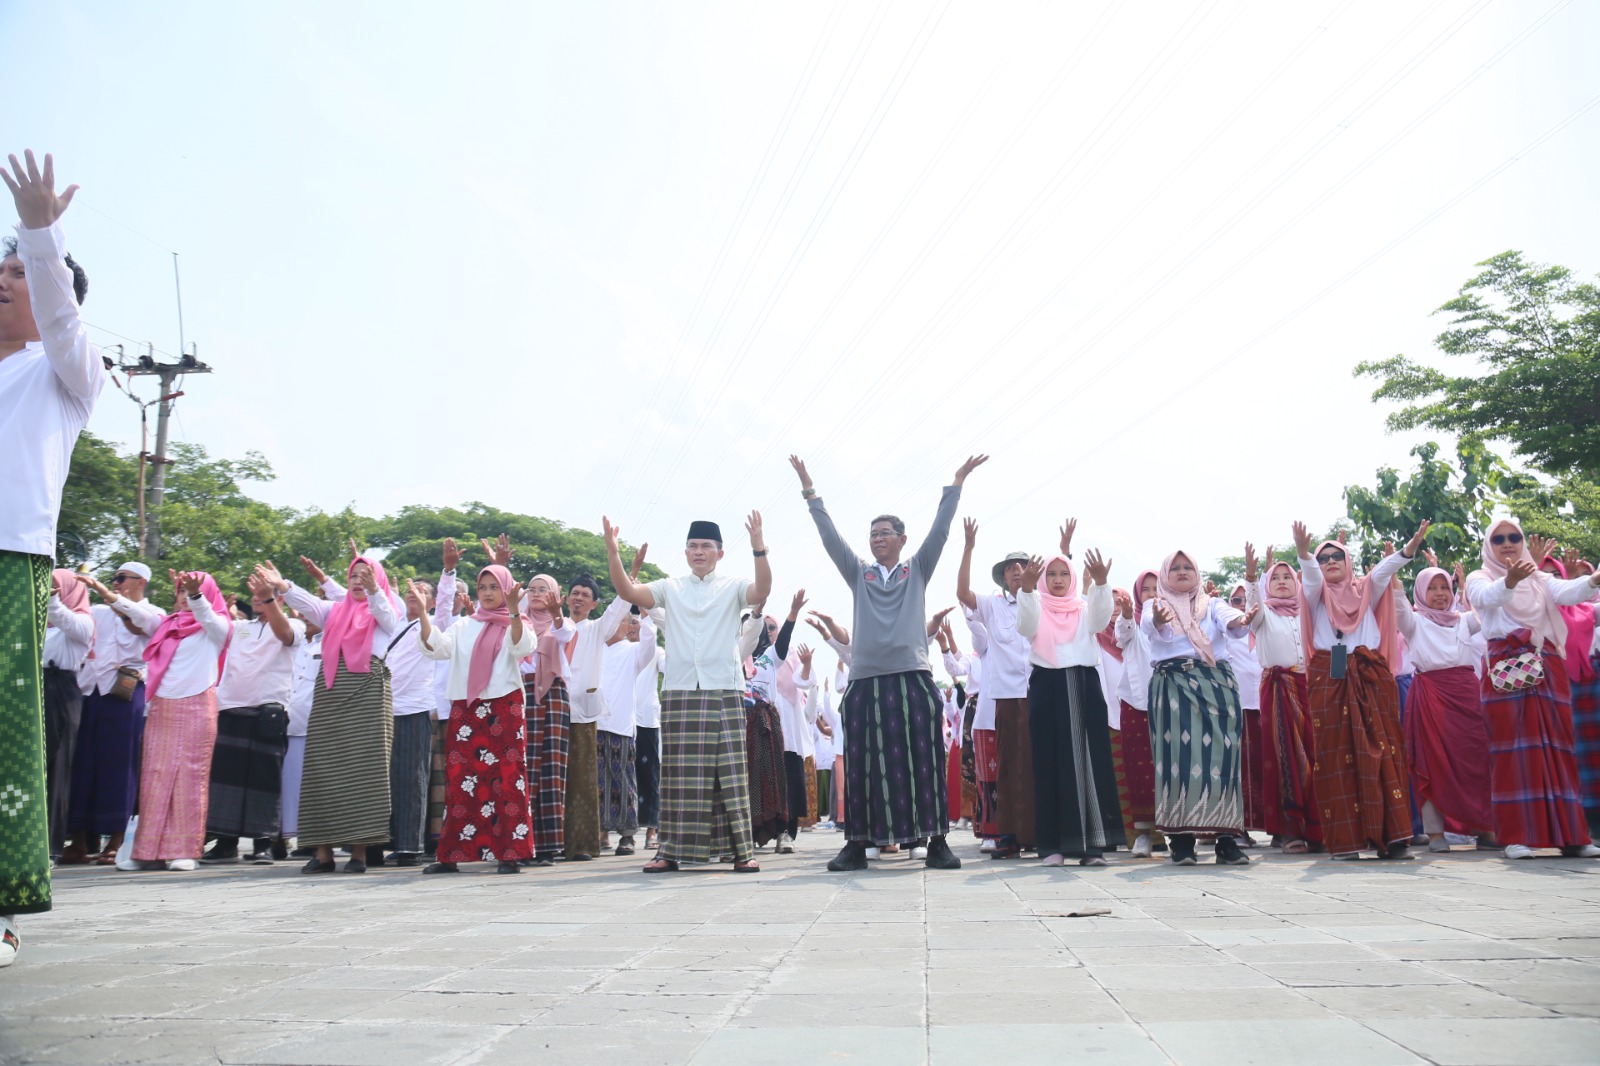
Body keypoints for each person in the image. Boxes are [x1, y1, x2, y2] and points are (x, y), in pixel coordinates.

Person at [791, 453, 986, 872]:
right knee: (862, 764)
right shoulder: (858, 574)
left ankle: (936, 841)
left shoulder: (916, 570)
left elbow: (940, 530)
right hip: (865, 683)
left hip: (913, 680)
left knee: (925, 760)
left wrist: (956, 482)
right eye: (873, 534)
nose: (877, 539)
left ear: (901, 538)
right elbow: (830, 538)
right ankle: (857, 844)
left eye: (885, 533)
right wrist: (811, 491)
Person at [0, 150, 101, 963]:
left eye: (19, 275)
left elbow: (61, 318)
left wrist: (41, 233)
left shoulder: (66, 375)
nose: (5, 280)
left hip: (10, 562)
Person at [607, 513, 772, 873]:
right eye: (693, 546)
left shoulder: (733, 585)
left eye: (706, 547)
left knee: (728, 772)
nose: (699, 552)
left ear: (720, 553)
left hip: (725, 686)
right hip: (681, 689)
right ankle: (669, 850)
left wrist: (759, 548)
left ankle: (742, 851)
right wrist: (613, 553)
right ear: (685, 552)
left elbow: (761, 591)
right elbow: (629, 592)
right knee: (679, 775)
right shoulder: (671, 587)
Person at [1292, 521, 1428, 860]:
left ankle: (1393, 838)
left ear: (1348, 560)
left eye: (1338, 555)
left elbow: (1384, 571)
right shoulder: (1314, 594)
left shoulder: (1368, 588)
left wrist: (1408, 550)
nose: (1331, 562)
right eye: (1325, 559)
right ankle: (1347, 841)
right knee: (1336, 755)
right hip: (1331, 676)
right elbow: (1310, 577)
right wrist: (1304, 554)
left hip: (1370, 674)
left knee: (1384, 751)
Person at [1465, 522, 1600, 859]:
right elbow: (1486, 598)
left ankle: (1573, 836)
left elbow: (1568, 591)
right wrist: (1510, 581)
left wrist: (1594, 581)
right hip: (1506, 667)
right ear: (1489, 545)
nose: (1507, 544)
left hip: (1547, 664)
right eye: (1499, 539)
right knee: (1513, 752)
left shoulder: (1540, 579)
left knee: (1558, 749)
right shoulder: (1478, 577)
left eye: (1514, 538)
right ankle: (1515, 837)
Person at [262, 547, 400, 874]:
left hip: (367, 692)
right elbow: (306, 603)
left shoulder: (384, 609)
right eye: (353, 575)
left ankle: (359, 854)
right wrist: (283, 586)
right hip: (329, 691)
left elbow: (389, 618)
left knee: (363, 772)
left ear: (377, 580)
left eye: (365, 576)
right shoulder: (334, 610)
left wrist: (374, 589)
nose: (357, 581)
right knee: (321, 768)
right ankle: (321, 853)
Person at [414, 565, 535, 874]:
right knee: (462, 779)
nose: (489, 592)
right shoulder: (464, 625)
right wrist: (423, 614)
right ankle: (453, 853)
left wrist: (513, 613)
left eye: (495, 586)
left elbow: (522, 647)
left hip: (505, 707)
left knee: (507, 779)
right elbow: (436, 649)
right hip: (467, 708)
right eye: (483, 588)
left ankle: (510, 853)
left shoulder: (517, 622)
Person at [1142, 550, 1255, 866]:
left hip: (1217, 686)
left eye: (1187, 567)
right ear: (1165, 575)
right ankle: (1181, 842)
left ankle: (1226, 841)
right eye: (1174, 568)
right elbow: (1152, 629)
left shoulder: (1213, 603)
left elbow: (1230, 620)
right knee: (1176, 759)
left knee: (1222, 758)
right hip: (1172, 685)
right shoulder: (1155, 605)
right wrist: (1159, 620)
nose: (1181, 572)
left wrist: (1242, 618)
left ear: (1197, 573)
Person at [1015, 547, 1122, 866]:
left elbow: (1102, 619)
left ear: (1073, 578)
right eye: (1051, 574)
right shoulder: (1036, 604)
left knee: (1091, 761)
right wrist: (1028, 589)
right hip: (1047, 685)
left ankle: (1093, 847)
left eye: (1063, 574)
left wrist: (1101, 584)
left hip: (1083, 684)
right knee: (1049, 762)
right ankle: (1052, 846)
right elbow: (1026, 626)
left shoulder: (1084, 607)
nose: (1058, 580)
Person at [129, 571, 232, 871]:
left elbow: (206, 614)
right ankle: (149, 851)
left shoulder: (218, 626)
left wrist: (197, 596)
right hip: (162, 706)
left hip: (198, 705)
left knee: (189, 777)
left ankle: (185, 850)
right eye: (181, 591)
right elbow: (140, 616)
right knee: (155, 776)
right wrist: (110, 595)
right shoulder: (167, 625)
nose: (184, 597)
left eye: (190, 592)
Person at [201, 571, 305, 864]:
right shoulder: (240, 628)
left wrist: (270, 599)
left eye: (266, 594)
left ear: (279, 598)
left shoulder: (292, 624)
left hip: (268, 713)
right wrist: (197, 596)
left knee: (264, 780)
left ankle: (263, 844)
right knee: (226, 780)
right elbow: (209, 621)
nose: (258, 598)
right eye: (257, 594)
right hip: (231, 709)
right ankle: (226, 844)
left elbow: (284, 635)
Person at [957, 519, 1039, 859]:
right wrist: (969, 547)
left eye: (1022, 566)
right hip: (1006, 696)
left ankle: (1039, 832)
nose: (1017, 571)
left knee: (1039, 764)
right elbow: (963, 594)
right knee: (1008, 766)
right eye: (1010, 569)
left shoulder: (1042, 601)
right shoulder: (992, 606)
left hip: (1039, 692)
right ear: (1003, 578)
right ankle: (1008, 835)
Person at [1397, 565, 1493, 852]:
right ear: (1420, 592)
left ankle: (1484, 829)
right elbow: (1397, 604)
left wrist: (1468, 584)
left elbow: (1487, 611)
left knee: (1476, 760)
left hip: (1466, 693)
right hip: (1430, 696)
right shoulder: (1413, 622)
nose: (1439, 594)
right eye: (1432, 588)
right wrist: (1392, 573)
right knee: (1431, 762)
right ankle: (1435, 833)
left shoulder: (1464, 620)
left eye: (1444, 588)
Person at [1241, 545, 1319, 854]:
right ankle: (1289, 830)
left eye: (1288, 577)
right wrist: (1251, 576)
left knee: (1314, 754)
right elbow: (1252, 602)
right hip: (1278, 688)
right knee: (1284, 754)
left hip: (1310, 687)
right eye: (1276, 578)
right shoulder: (1263, 614)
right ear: (1267, 586)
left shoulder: (1308, 614)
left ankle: (1316, 827)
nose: (1284, 582)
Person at [559, 572, 631, 861]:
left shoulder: (596, 629)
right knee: (552, 779)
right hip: (550, 710)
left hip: (583, 714)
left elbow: (619, 607)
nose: (578, 598)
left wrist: (631, 576)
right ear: (565, 598)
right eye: (574, 592)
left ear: (594, 604)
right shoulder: (552, 626)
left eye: (584, 595)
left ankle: (582, 845)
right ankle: (549, 842)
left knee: (582, 780)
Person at [1540, 552, 1600, 839]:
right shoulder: (1532, 612)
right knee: (1564, 754)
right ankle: (1570, 821)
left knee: (1591, 755)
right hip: (1550, 687)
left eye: (1556, 574)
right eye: (1544, 573)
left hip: (1588, 688)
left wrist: (1583, 581)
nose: (1551, 579)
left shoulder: (1585, 609)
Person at [596, 607, 659, 856]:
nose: (616, 626)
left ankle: (627, 836)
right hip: (594, 723)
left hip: (621, 725)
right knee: (598, 783)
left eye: (623, 622)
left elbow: (650, 644)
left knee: (624, 780)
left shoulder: (633, 651)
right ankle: (600, 834)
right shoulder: (595, 649)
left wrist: (645, 617)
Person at [520, 574, 573, 865]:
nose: (537, 594)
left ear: (555, 594)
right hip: (522, 693)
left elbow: (564, 634)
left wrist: (556, 614)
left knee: (551, 770)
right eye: (532, 589)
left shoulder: (560, 623)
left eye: (544, 589)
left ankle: (548, 846)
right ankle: (521, 842)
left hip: (552, 696)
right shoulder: (517, 622)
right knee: (524, 770)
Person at [42, 569, 93, 856]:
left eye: (55, 586)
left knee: (56, 768)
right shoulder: (38, 623)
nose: (49, 590)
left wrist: (51, 600)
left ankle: (50, 847)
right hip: (34, 689)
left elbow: (65, 618)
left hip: (60, 692)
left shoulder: (82, 622)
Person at [1114, 570, 1160, 857]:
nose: (1153, 594)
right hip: (1135, 702)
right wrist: (1129, 615)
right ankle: (1143, 833)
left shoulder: (1178, 620)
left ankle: (1180, 830)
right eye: (1147, 589)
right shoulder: (1131, 621)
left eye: (1157, 588)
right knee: (1139, 768)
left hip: (1170, 700)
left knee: (1173, 768)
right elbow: (1122, 634)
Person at [1224, 582, 1265, 837]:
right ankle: (1238, 828)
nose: (1241, 606)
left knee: (1267, 766)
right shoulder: (1226, 632)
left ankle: (1279, 827)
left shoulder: (1266, 628)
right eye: (1235, 602)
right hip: (1236, 707)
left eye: (1244, 601)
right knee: (1237, 769)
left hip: (1266, 706)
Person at [633, 617, 665, 850]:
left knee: (650, 777)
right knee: (621, 777)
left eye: (638, 620)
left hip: (646, 720)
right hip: (617, 720)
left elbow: (669, 667)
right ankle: (614, 831)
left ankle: (652, 830)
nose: (633, 626)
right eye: (629, 621)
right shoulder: (610, 648)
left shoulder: (656, 651)